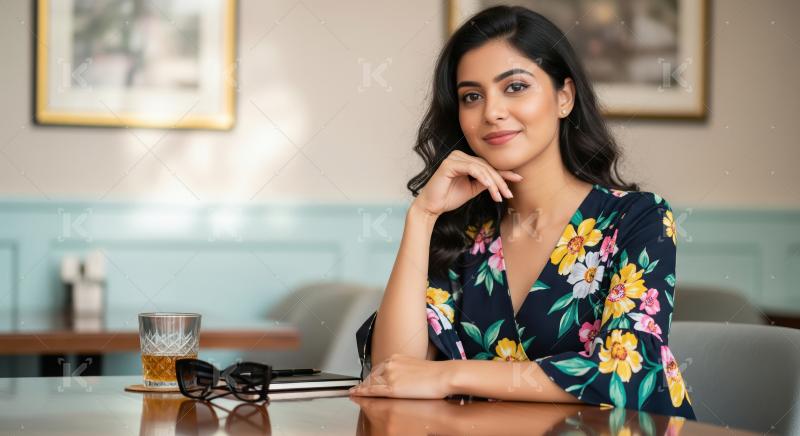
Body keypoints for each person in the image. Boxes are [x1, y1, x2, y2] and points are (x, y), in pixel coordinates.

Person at [349, 5, 695, 420]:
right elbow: (393, 372)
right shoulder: (465, 234)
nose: (491, 112)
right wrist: (422, 215)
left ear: (564, 97)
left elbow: (627, 372)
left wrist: (449, 376)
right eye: (472, 96)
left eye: (515, 87)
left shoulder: (637, 219)